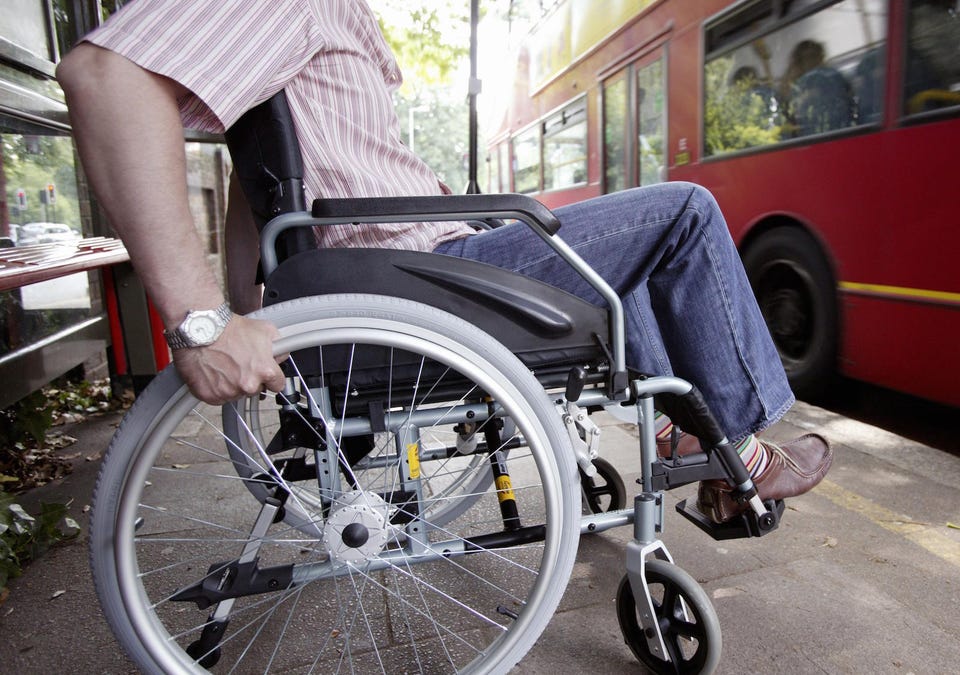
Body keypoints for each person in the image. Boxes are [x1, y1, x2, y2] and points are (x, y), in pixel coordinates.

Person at [56, 0, 830, 523]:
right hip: (420, 280)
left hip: (406, 272)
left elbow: (256, 194)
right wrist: (205, 324)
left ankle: (691, 436)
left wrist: (263, 315)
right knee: (684, 213)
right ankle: (742, 448)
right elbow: (103, 74)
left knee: (624, 258)